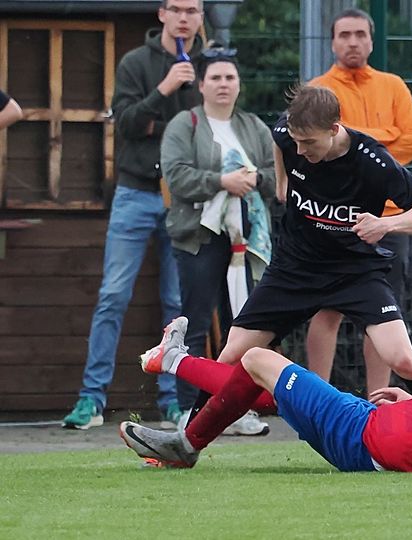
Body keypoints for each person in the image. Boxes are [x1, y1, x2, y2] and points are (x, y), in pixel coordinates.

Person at [181, 85, 412, 404]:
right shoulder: (289, 135)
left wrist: (386, 224)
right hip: (295, 268)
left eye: (308, 143)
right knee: (230, 355)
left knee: (402, 358)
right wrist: (282, 182)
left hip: (354, 272)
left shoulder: (373, 161)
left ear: (334, 129)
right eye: (296, 141)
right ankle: (190, 431)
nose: (300, 150)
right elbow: (279, 137)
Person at [119, 316, 412, 472]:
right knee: (269, 387)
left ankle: (176, 383)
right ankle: (173, 377)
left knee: (257, 358)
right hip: (362, 424)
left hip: (358, 433)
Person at [62, 0, 205, 430]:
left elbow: (204, 131)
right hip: (135, 193)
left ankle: (173, 401)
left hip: (184, 199)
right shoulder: (135, 63)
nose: (184, 17)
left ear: (201, 17)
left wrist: (155, 126)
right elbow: (124, 124)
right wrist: (165, 89)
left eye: (193, 10)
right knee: (113, 296)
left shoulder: (208, 67)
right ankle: (91, 400)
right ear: (162, 14)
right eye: (177, 9)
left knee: (177, 304)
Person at [305, 7, 412, 395]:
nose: (353, 42)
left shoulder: (393, 86)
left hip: (389, 220)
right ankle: (317, 401)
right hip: (334, 219)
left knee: (384, 313)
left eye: (360, 34)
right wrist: (382, 140)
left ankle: (379, 402)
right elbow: (317, 151)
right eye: (345, 35)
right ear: (332, 42)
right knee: (326, 309)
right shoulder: (317, 91)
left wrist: (352, 143)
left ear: (372, 41)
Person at [160, 46, 276, 435]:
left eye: (230, 77)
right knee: (194, 322)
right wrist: (222, 181)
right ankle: (186, 409)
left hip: (248, 242)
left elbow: (277, 175)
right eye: (215, 78)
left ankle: (235, 410)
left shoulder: (254, 127)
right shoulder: (184, 124)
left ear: (239, 84)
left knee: (241, 327)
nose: (223, 84)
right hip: (199, 238)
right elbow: (177, 177)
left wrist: (255, 179)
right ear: (201, 85)